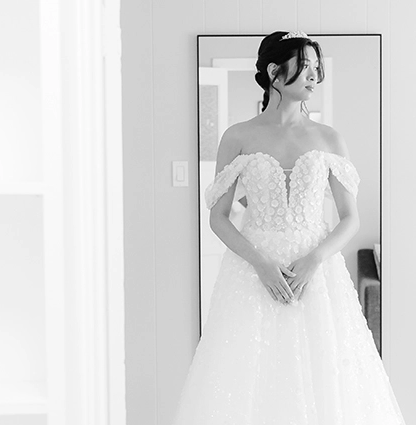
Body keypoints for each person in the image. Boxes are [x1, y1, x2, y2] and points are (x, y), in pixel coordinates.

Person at [172, 31, 404, 425]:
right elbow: (218, 216)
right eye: (305, 65)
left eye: (317, 66)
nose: (314, 75)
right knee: (247, 376)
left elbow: (351, 217)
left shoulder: (329, 138)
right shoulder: (238, 136)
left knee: (326, 378)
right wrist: (260, 263)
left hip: (316, 271)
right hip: (250, 272)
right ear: (274, 71)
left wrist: (315, 259)